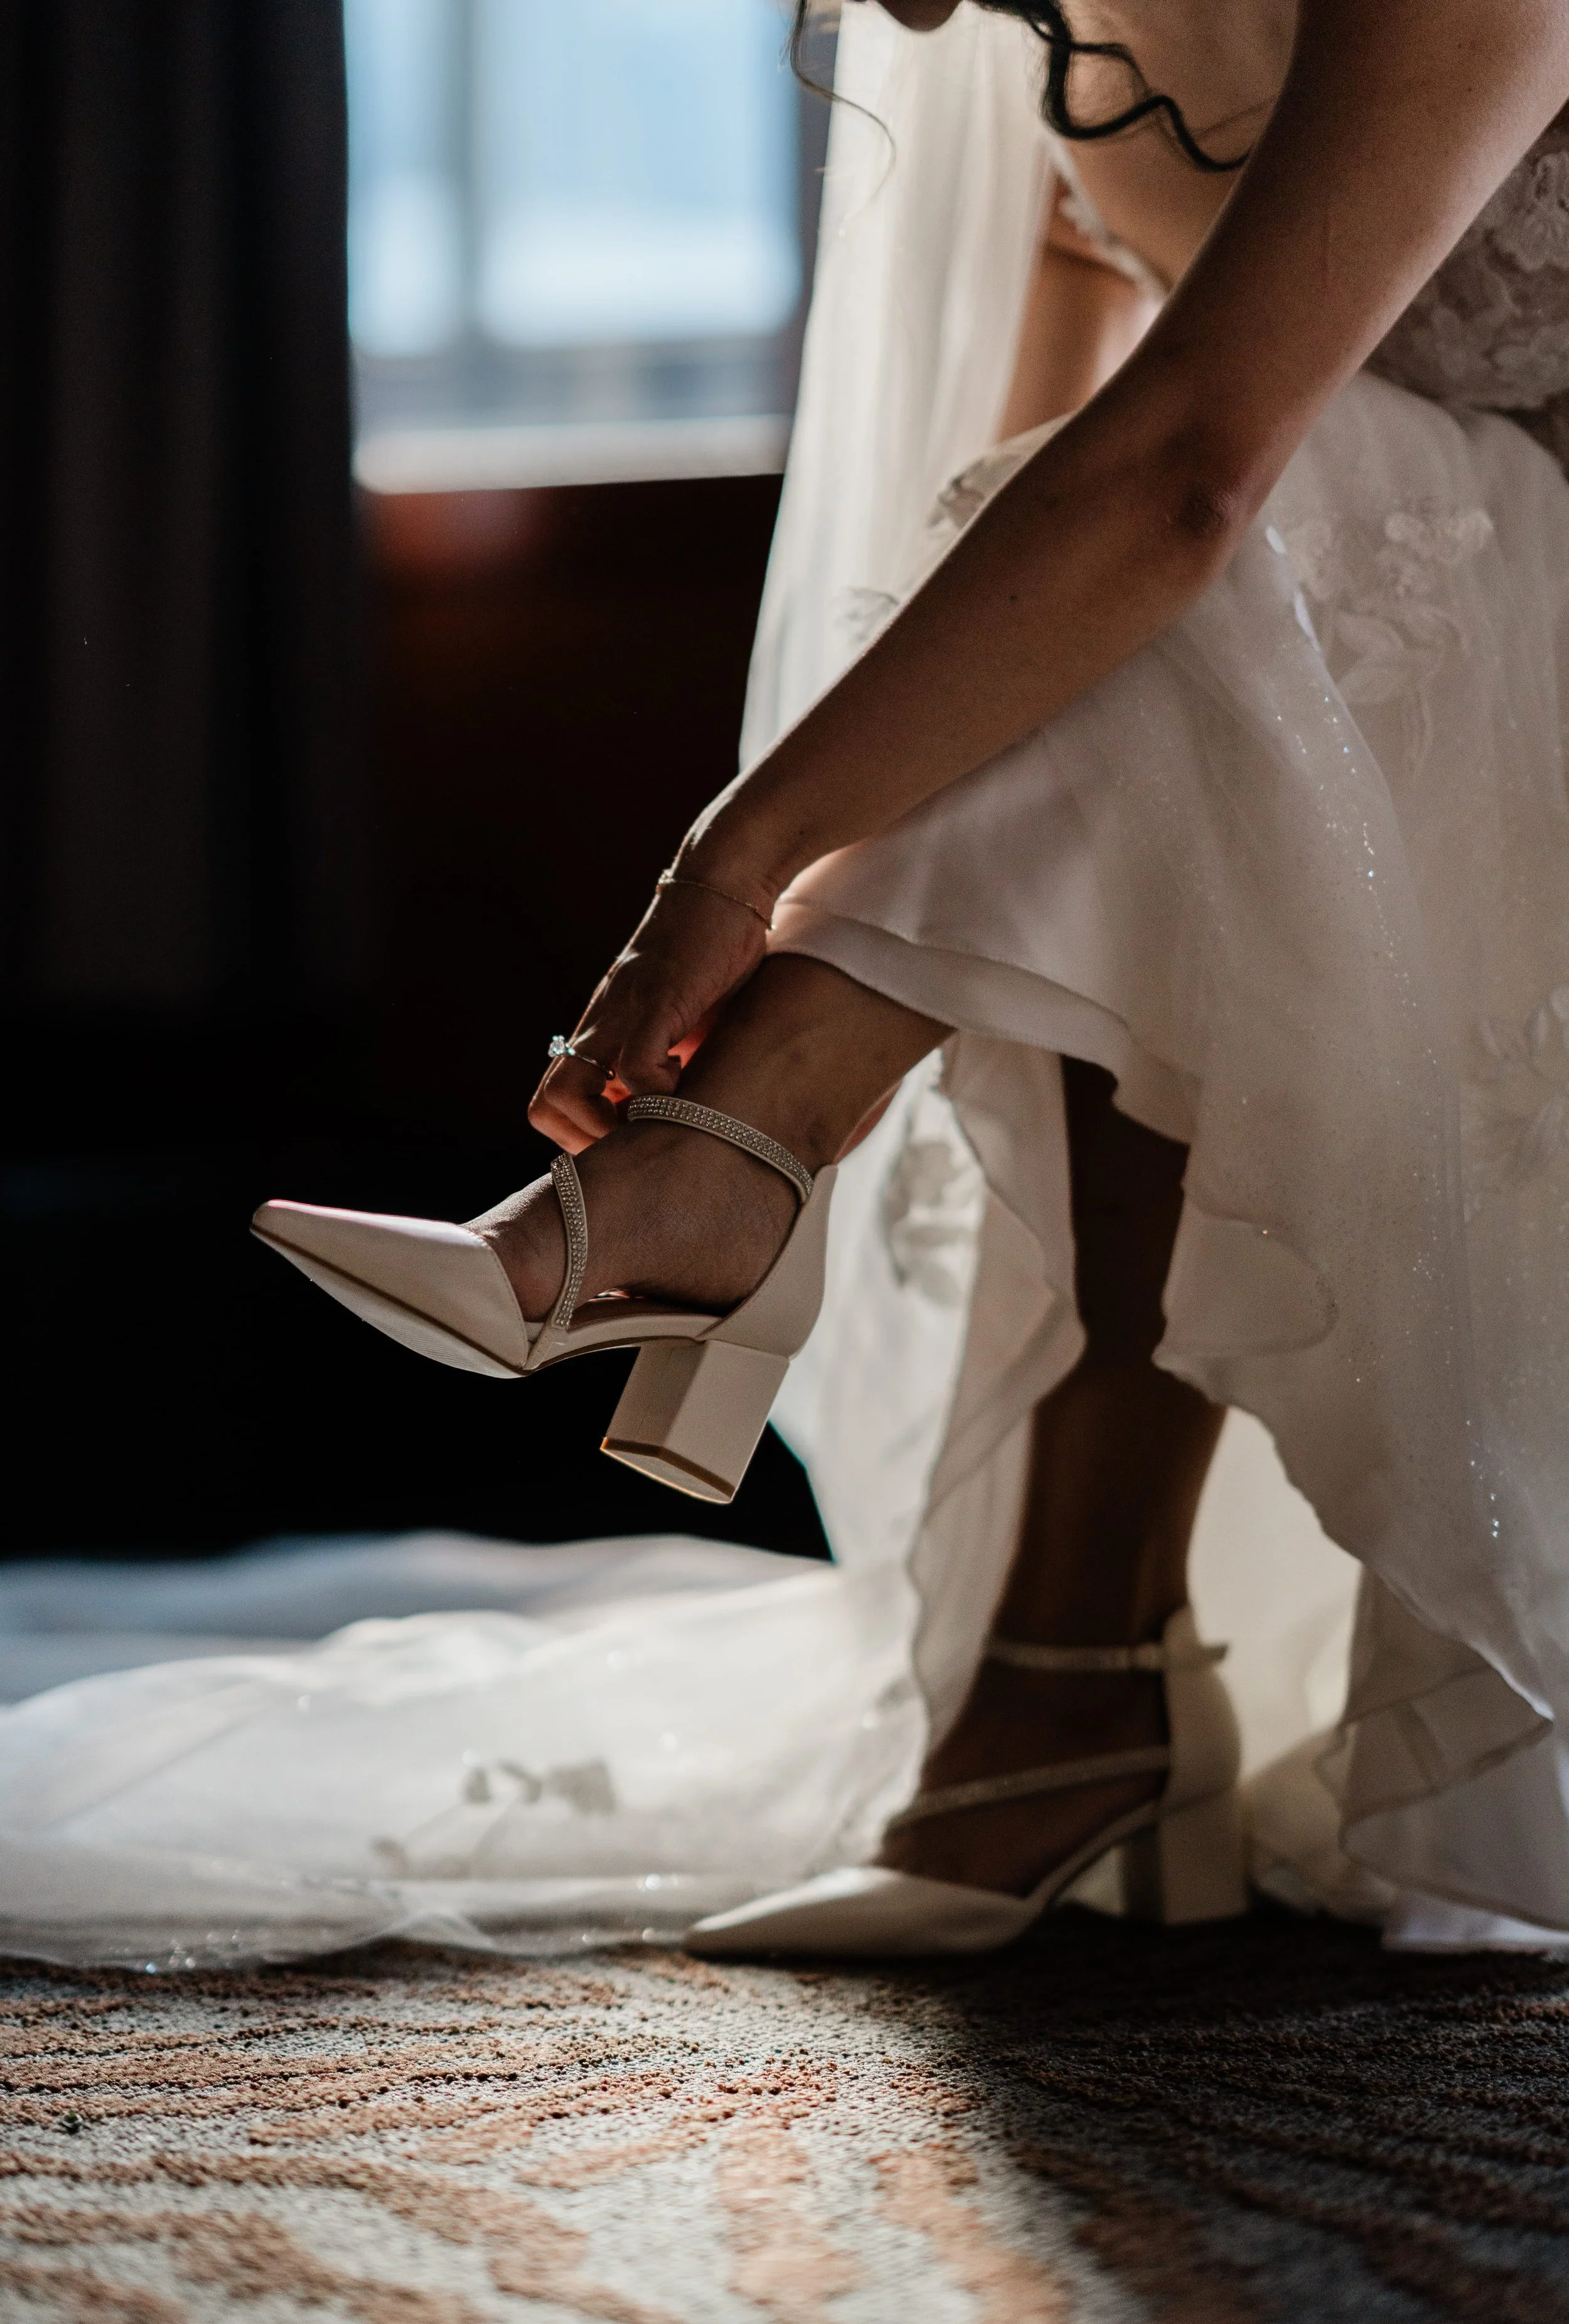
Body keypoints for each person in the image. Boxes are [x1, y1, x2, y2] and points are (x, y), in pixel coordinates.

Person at [8, 0, 1569, 1967]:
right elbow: (1020, 576)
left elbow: (1186, 476)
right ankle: (1043, 1665)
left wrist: (726, 879)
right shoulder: (1071, 52)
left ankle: (746, 1197)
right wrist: (813, 880)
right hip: (1381, 714)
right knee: (1143, 662)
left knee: (1263, 521)